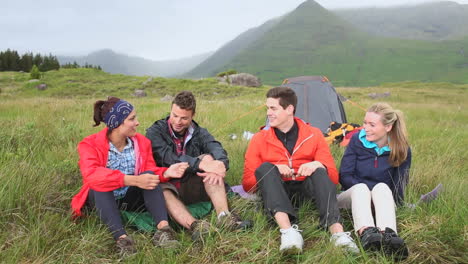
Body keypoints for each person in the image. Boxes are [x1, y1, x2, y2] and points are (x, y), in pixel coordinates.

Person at [242, 87, 358, 254]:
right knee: (266, 167)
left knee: (320, 169)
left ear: (289, 109)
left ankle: (337, 233)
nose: (268, 113)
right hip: (276, 192)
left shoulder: (314, 134)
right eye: (267, 108)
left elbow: (333, 179)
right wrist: (274, 170)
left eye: (273, 108)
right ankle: (289, 232)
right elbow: (248, 184)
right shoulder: (259, 139)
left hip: (306, 190)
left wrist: (318, 165)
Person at [71, 97, 189, 256]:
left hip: (130, 198)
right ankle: (123, 240)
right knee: (99, 184)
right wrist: (132, 180)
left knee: (149, 176)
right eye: (132, 119)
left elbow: (149, 171)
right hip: (101, 200)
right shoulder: (89, 144)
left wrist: (166, 172)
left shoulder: (142, 142)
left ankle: (163, 231)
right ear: (117, 123)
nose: (137, 122)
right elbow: (91, 174)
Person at [146, 91, 252, 241]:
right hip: (167, 184)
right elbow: (167, 157)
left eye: (184, 118)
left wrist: (220, 163)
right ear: (171, 110)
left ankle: (225, 217)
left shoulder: (199, 132)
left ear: (192, 115)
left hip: (190, 184)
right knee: (162, 187)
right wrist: (201, 164)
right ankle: (196, 227)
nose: (177, 121)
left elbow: (215, 147)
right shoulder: (155, 131)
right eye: (175, 115)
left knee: (210, 158)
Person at [337, 102, 411, 260]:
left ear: (388, 127)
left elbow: (399, 183)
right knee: (361, 188)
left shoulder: (401, 148)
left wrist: (399, 203)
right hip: (352, 195)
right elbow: (345, 175)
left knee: (383, 187)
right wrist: (368, 193)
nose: (365, 128)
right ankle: (367, 234)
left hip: (380, 198)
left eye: (372, 124)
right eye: (365, 123)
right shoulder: (357, 140)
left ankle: (389, 236)